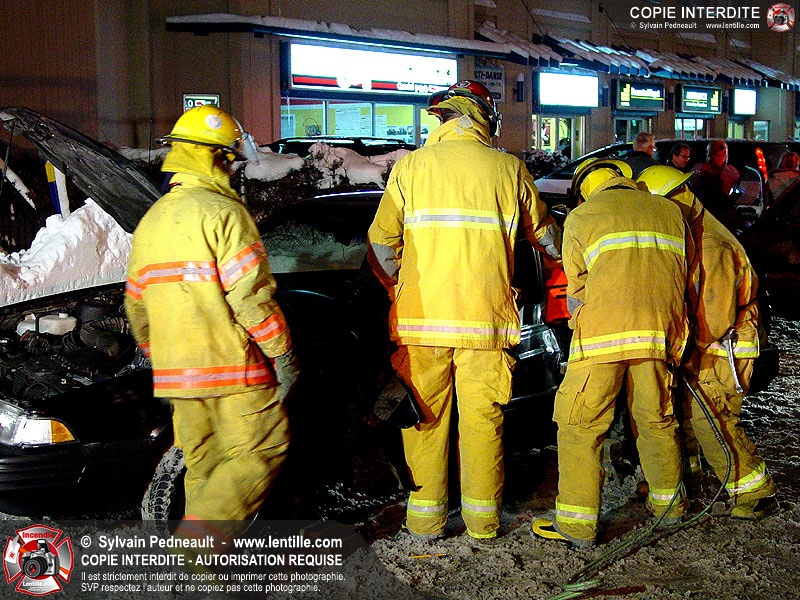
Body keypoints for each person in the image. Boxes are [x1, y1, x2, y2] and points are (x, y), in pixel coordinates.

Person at [367, 80, 562, 543]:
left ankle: (425, 523)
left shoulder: (410, 167)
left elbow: (381, 244)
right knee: (482, 423)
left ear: (443, 119)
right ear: (483, 118)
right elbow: (547, 239)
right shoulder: (508, 169)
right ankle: (482, 522)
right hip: (486, 325)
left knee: (424, 421)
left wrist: (402, 287)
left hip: (422, 324)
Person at [125, 106, 300, 542]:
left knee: (205, 465)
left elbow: (136, 306)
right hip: (232, 368)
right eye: (229, 159)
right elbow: (250, 297)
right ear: (216, 157)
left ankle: (204, 569)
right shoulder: (223, 213)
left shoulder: (151, 221)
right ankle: (196, 548)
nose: (232, 169)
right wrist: (281, 352)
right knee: (264, 446)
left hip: (177, 375)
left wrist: (161, 355)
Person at [532, 158, 690, 548]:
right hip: (658, 336)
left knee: (581, 425)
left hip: (602, 339)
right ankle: (670, 508)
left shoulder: (583, 217)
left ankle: (577, 525)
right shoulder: (669, 212)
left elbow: (576, 291)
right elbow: (684, 275)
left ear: (584, 190)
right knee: (656, 421)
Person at [637, 165, 778, 519]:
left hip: (723, 346)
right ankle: (687, 479)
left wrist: (682, 346)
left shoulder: (710, 243)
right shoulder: (694, 231)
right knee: (686, 412)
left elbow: (716, 317)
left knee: (711, 417)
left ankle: (755, 492)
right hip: (714, 344)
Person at [690, 139, 740, 230]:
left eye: (722, 155)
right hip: (707, 208)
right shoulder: (701, 170)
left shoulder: (731, 172)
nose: (720, 158)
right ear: (711, 155)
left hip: (725, 209)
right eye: (717, 155)